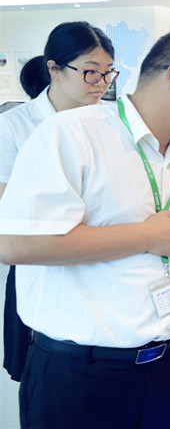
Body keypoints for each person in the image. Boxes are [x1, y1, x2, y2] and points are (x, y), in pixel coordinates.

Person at [0, 29, 170, 428]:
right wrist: (144, 236)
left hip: (167, 361)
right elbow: (15, 244)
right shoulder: (73, 134)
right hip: (83, 372)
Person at [0, 21, 116, 382]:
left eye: (108, 73)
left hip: (105, 260)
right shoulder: (15, 126)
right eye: (90, 72)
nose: (101, 83)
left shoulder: (113, 121)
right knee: (45, 376)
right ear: (54, 68)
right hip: (41, 265)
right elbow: (9, 213)